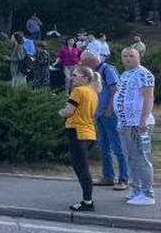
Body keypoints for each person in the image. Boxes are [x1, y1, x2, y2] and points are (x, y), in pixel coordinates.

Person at [81, 51, 128, 191]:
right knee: (103, 146)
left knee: (117, 146)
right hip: (99, 114)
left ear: (91, 61)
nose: (84, 67)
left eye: (84, 63)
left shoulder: (107, 70)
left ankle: (123, 179)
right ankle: (108, 177)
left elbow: (115, 89)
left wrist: (110, 108)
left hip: (109, 114)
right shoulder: (94, 73)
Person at [114, 47, 156, 206]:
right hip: (125, 123)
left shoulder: (145, 74)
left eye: (131, 56)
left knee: (141, 158)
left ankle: (147, 193)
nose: (127, 58)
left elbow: (148, 98)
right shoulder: (124, 74)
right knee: (130, 158)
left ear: (139, 57)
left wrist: (143, 119)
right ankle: (136, 189)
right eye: (125, 56)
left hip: (138, 123)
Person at [60, 65, 100, 211]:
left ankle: (87, 202)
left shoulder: (77, 91)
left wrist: (61, 112)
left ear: (85, 77)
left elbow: (69, 111)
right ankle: (87, 199)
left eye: (76, 75)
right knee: (80, 167)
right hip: (90, 133)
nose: (72, 78)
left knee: (82, 169)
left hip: (77, 132)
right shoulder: (93, 92)